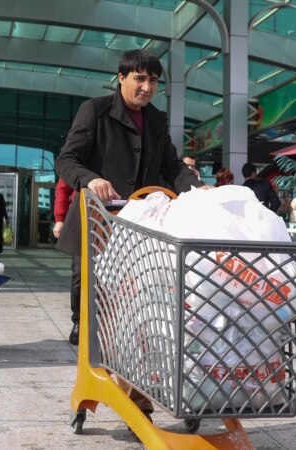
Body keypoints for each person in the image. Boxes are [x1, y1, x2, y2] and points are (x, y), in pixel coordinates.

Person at [55, 49, 204, 423]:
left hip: (140, 234)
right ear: (120, 77)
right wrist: (91, 179)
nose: (147, 86)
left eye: (153, 80)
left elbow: (170, 165)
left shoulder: (155, 119)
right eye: (139, 78)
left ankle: (137, 393)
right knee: (98, 314)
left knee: (138, 316)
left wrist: (196, 189)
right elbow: (67, 160)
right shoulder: (95, 111)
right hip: (100, 227)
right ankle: (105, 382)